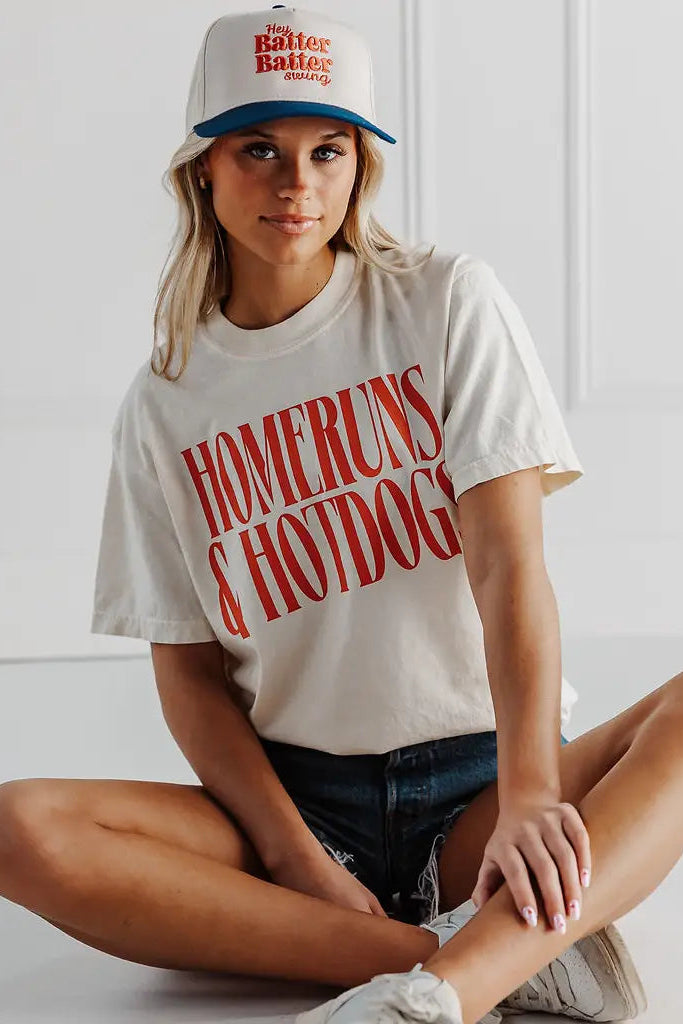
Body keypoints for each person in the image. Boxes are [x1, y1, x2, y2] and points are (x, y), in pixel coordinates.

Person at [1, 6, 681, 1024]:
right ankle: (503, 954)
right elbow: (187, 672)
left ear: (361, 167)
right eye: (258, 149)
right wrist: (293, 855)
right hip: (295, 802)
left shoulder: (446, 303)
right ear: (201, 169)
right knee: (19, 827)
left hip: (477, 785)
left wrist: (532, 794)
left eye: (329, 150)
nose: (296, 184)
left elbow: (507, 566)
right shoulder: (164, 402)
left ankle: (448, 990)